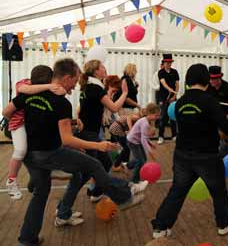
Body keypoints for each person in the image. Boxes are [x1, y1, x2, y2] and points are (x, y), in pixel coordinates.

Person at [2, 58, 146, 246]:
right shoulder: (61, 102)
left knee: (41, 192)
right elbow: (66, 139)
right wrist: (97, 146)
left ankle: (28, 239)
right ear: (67, 78)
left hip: (30, 155)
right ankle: (123, 198)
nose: (77, 83)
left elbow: (7, 112)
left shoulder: (29, 94)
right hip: (49, 153)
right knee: (93, 164)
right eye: (75, 79)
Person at [151, 63, 228, 239]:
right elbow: (226, 128)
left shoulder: (180, 103)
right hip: (207, 156)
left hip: (182, 155)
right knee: (218, 191)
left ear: (188, 81)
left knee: (177, 190)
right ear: (206, 81)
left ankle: (160, 227)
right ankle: (224, 224)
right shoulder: (209, 101)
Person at [6, 65, 66, 200]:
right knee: (21, 150)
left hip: (28, 123)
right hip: (18, 124)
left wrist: (59, 90)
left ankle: (38, 178)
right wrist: (48, 87)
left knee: (35, 148)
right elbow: (23, 90)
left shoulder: (41, 89)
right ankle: (11, 181)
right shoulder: (24, 83)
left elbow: (61, 92)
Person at [78, 59, 129, 202]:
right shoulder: (95, 88)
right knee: (91, 170)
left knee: (104, 163)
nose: (104, 68)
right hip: (90, 134)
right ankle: (64, 208)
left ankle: (96, 192)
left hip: (91, 132)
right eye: (102, 67)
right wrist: (124, 93)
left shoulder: (89, 86)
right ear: (96, 71)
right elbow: (114, 107)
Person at [207, 65, 228, 157]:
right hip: (211, 119)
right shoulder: (207, 87)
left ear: (219, 78)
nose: (211, 81)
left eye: (214, 79)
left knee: (224, 143)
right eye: (210, 79)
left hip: (224, 119)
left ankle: (223, 161)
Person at [127, 103, 160, 183]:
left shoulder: (146, 121)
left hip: (136, 141)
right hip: (133, 142)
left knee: (142, 159)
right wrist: (150, 151)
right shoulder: (145, 123)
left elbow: (144, 137)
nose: (157, 117)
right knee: (141, 161)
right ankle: (134, 181)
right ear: (149, 114)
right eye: (156, 115)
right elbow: (143, 139)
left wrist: (150, 143)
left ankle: (128, 165)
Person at [157, 54, 179, 144]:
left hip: (173, 97)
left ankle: (174, 135)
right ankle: (161, 136)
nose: (169, 64)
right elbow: (163, 82)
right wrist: (168, 89)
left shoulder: (175, 72)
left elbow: (177, 84)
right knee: (163, 117)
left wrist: (174, 95)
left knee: (173, 116)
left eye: (170, 62)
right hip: (163, 97)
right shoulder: (161, 72)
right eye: (167, 62)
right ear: (164, 62)